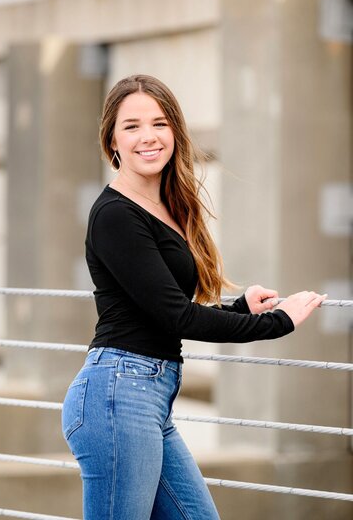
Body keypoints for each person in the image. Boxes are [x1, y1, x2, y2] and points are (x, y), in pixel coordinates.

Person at [61, 74, 327, 520]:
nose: (148, 136)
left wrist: (242, 308)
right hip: (118, 397)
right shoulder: (114, 215)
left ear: (175, 132)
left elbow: (161, 306)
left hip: (147, 398)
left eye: (159, 123)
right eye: (131, 126)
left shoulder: (162, 206)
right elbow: (177, 318)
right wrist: (277, 323)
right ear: (112, 140)